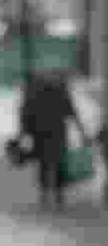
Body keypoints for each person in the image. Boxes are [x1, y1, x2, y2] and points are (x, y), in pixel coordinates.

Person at [19, 69, 90, 211]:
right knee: (58, 164)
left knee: (44, 164)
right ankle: (58, 196)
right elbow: (72, 112)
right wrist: (82, 131)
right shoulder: (60, 92)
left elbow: (26, 113)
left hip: (40, 134)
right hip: (57, 133)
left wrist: (23, 132)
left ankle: (45, 196)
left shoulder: (34, 93)